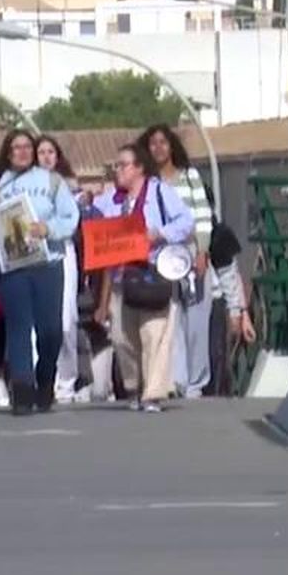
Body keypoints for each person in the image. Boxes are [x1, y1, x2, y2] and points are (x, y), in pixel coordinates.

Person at [0, 129, 81, 415]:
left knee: (51, 330)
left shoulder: (52, 181)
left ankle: (45, 376)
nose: (22, 152)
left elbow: (70, 216)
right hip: (13, 268)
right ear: (8, 153)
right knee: (18, 328)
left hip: (48, 263)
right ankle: (22, 389)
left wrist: (49, 229)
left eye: (27, 147)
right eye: (16, 147)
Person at [91, 144, 196, 413]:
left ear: (139, 168)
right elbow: (94, 221)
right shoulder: (112, 199)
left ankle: (154, 393)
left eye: (123, 165)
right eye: (116, 165)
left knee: (155, 335)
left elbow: (186, 221)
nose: (118, 171)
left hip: (152, 272)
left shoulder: (160, 192)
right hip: (121, 277)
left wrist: (159, 233)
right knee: (123, 337)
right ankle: (134, 387)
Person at [137, 123, 217, 398]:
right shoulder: (147, 184)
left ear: (172, 147)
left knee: (196, 321)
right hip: (161, 260)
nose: (158, 148)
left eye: (163, 142)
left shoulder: (189, 176)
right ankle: (177, 380)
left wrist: (202, 251)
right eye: (153, 144)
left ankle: (196, 382)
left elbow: (202, 215)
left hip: (191, 254)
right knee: (171, 320)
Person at [35, 135, 85, 406]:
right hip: (34, 254)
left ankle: (66, 380)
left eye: (50, 151)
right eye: (40, 152)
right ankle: (40, 378)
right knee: (38, 321)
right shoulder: (25, 186)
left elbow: (73, 223)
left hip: (62, 251)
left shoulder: (68, 187)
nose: (45, 157)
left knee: (66, 317)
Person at [201, 224, 256, 397]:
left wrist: (237, 312)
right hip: (173, 299)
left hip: (212, 302)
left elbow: (228, 271)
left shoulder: (215, 232)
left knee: (214, 358)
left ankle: (213, 398)